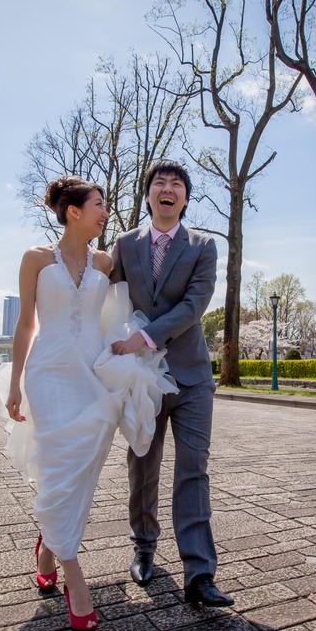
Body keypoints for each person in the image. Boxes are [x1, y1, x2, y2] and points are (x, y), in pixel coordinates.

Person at [0, 176, 175, 631]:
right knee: (57, 462)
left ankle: (48, 549)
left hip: (93, 373)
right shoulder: (35, 259)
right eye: (99, 204)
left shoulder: (104, 261)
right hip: (49, 370)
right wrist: (14, 383)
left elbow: (126, 302)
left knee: (83, 464)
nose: (106, 212)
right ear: (74, 211)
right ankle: (75, 580)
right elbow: (26, 324)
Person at [109, 159, 233, 607]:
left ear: (184, 197)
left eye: (176, 184)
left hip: (193, 377)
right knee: (143, 462)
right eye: (159, 182)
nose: (168, 188)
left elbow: (194, 305)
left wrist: (143, 337)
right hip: (143, 379)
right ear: (147, 194)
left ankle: (199, 574)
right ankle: (143, 546)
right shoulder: (125, 245)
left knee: (192, 469)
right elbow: (107, 298)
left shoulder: (203, 246)